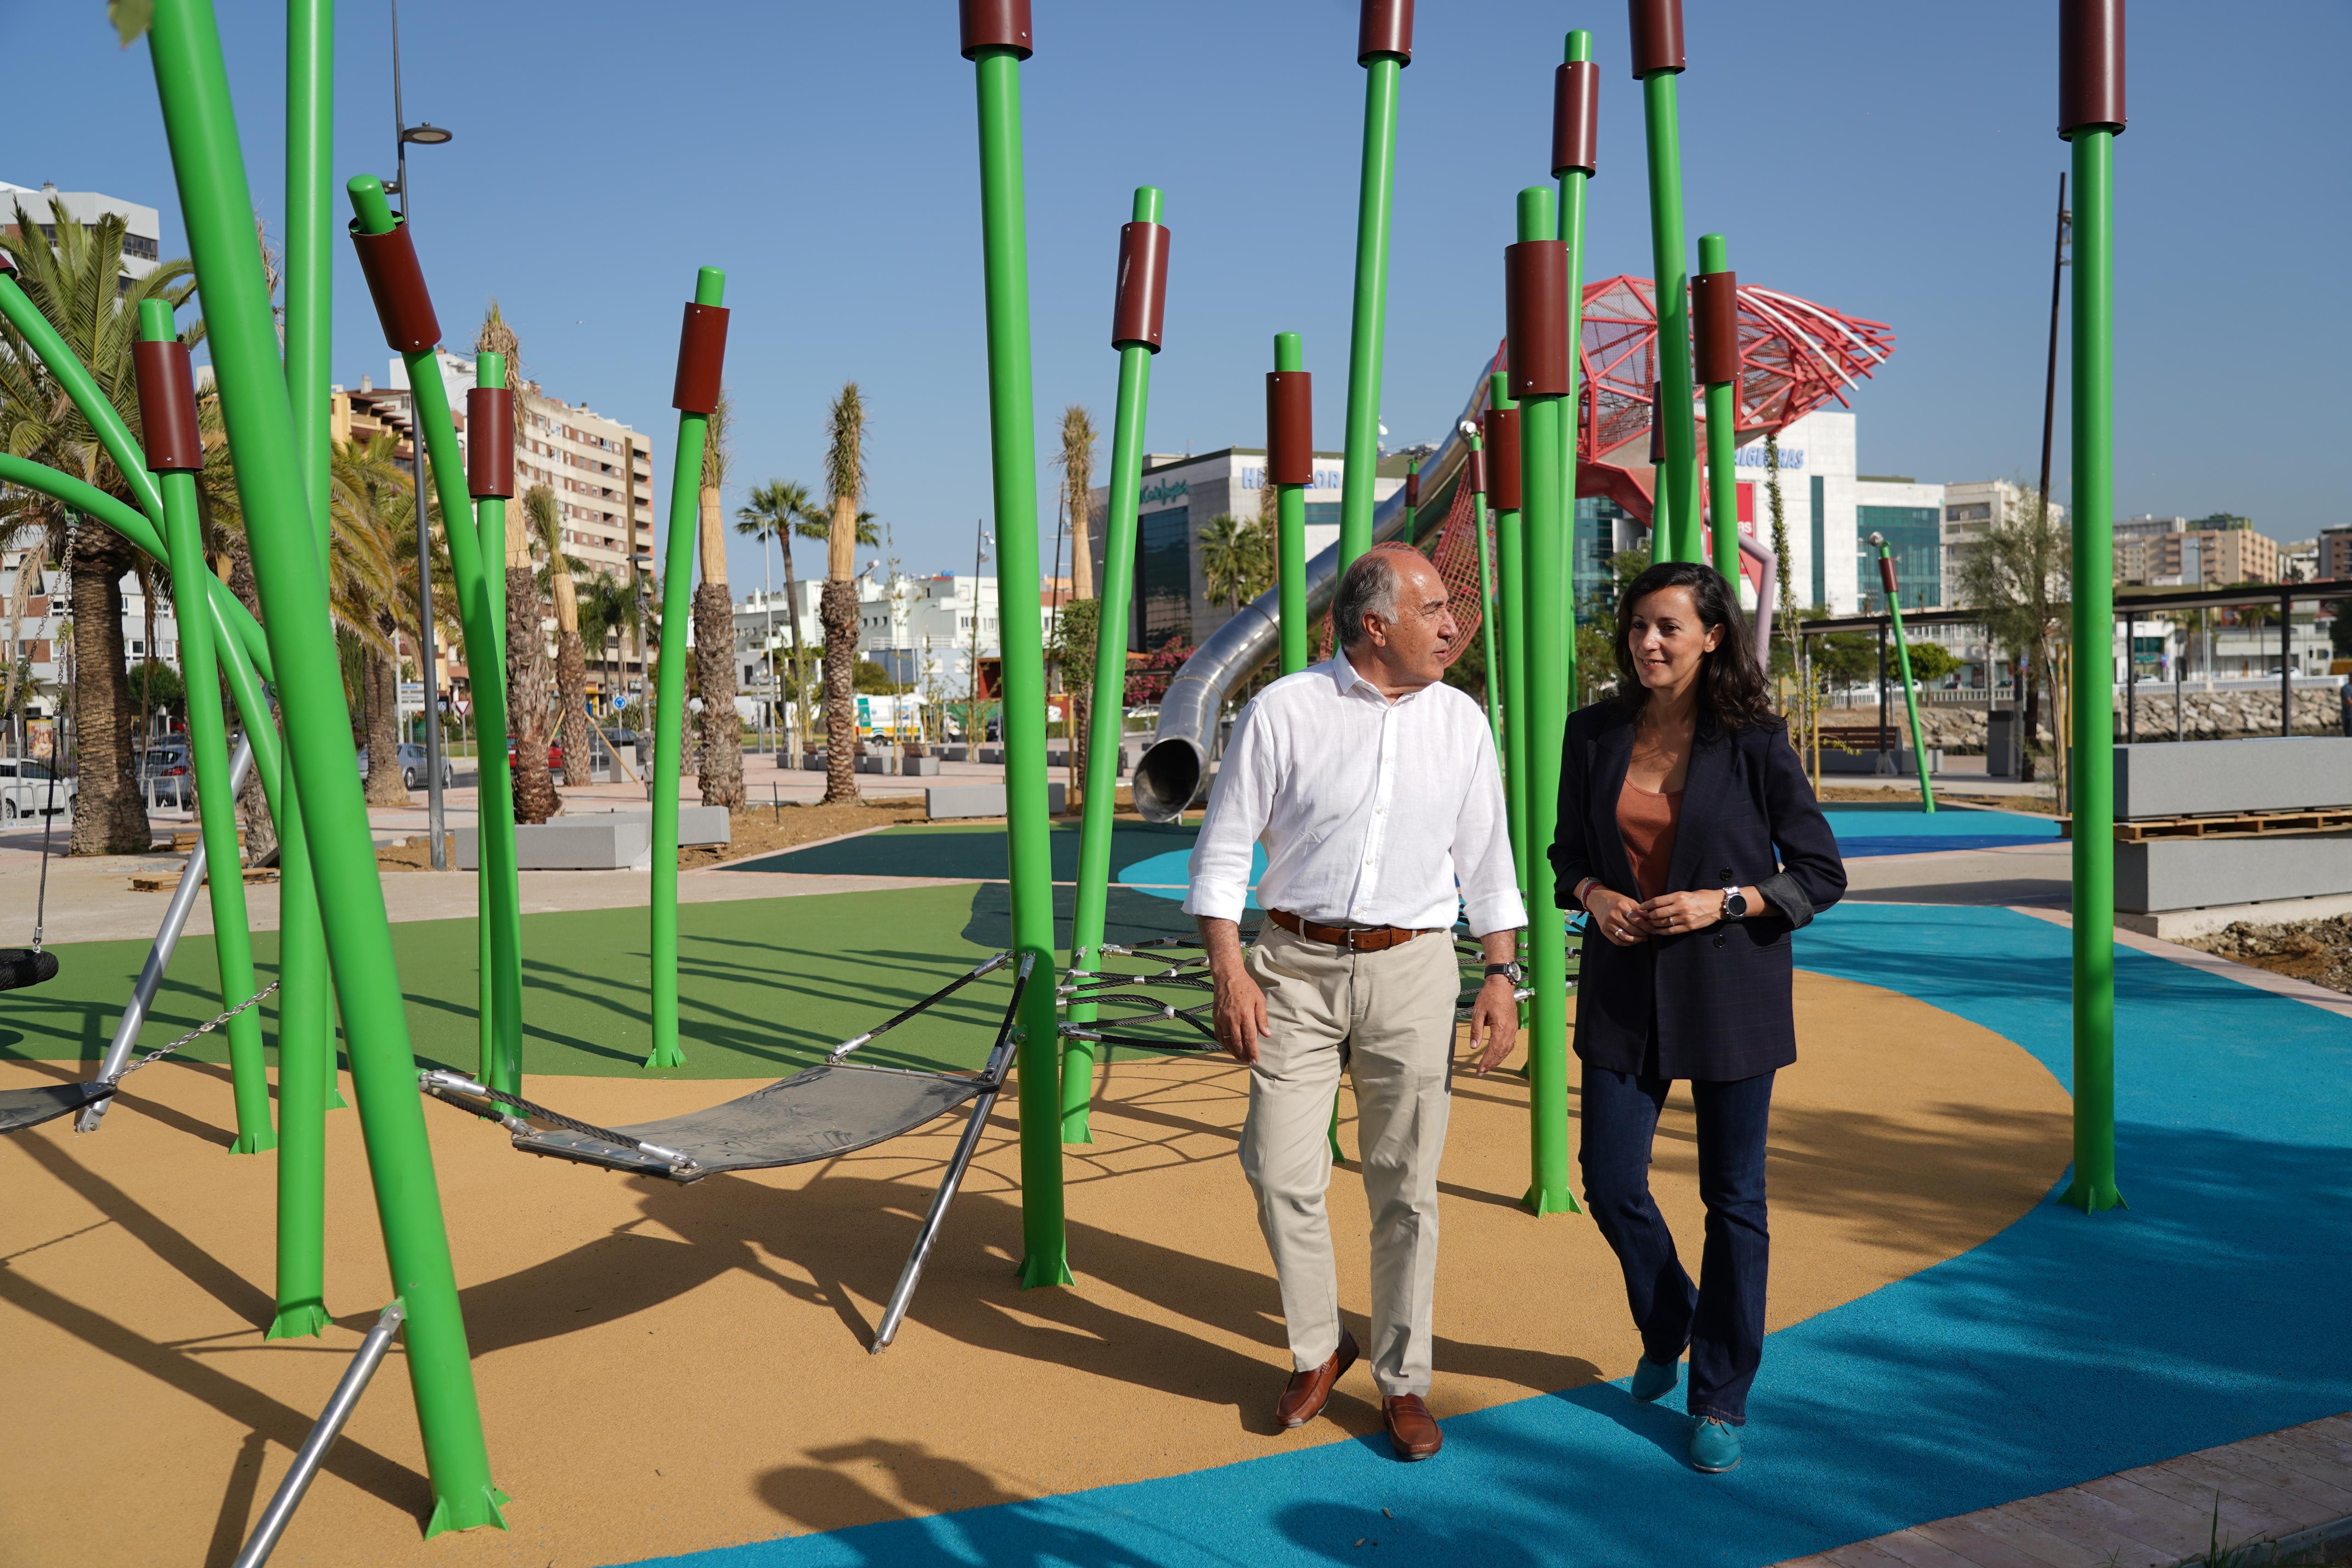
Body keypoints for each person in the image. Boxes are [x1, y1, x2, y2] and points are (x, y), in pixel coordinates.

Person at [1188, 545, 1525, 1462]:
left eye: (1449, 610)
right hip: (1292, 966)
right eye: (1431, 609)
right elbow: (1222, 856)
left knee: (1405, 1186)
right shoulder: (1284, 711)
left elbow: (1488, 862)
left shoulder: (1461, 723)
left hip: (1416, 969)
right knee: (1275, 1163)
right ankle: (1318, 1343)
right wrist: (1231, 972)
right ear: (1374, 625)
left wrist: (1503, 976)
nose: (1452, 624)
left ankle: (1404, 1379)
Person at [1549, 560, 1845, 1475]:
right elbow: (1564, 854)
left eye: (1668, 628)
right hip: (1621, 988)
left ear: (1711, 636)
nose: (1647, 642)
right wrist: (1591, 894)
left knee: (1734, 1200)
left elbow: (1818, 873)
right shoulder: (1591, 733)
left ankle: (1719, 1395)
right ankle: (1669, 1315)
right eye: (1638, 626)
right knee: (1609, 1181)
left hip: (1729, 991)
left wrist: (1726, 903)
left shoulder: (1751, 740)